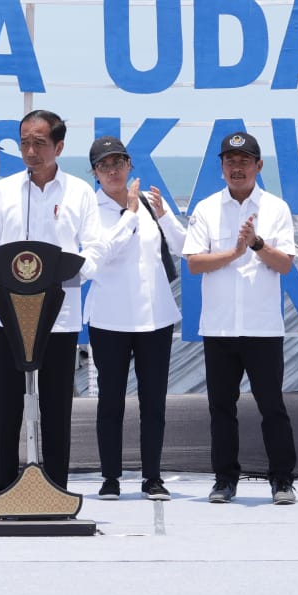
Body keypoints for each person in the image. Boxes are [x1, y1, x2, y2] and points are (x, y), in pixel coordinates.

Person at [0, 110, 128, 495]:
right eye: (24, 141)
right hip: (9, 316)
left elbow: (94, 247)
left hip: (58, 316)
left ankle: (56, 487)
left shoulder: (78, 193)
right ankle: (0, 490)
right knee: (4, 407)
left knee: (57, 408)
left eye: (39, 143)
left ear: (59, 146)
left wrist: (73, 271)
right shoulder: (4, 191)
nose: (30, 150)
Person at [181, 131, 298, 505]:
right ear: (221, 167)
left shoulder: (276, 208)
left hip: (262, 327)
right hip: (219, 327)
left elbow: (285, 264)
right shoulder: (206, 208)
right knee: (221, 409)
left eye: (244, 161)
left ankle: (282, 479)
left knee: (272, 407)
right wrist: (234, 253)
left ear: (258, 166)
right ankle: (224, 480)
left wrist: (257, 245)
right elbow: (195, 263)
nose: (237, 168)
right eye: (230, 162)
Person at [83, 135, 185, 501]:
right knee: (110, 402)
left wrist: (163, 215)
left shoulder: (146, 202)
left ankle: (152, 477)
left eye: (118, 163)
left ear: (130, 166)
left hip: (154, 318)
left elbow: (183, 246)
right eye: (104, 166)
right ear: (95, 172)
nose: (112, 170)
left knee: (153, 403)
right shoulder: (90, 209)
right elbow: (101, 255)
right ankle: (110, 477)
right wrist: (128, 215)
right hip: (109, 319)